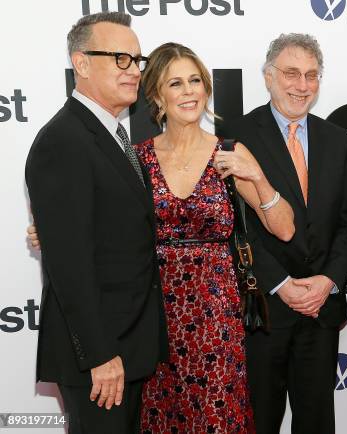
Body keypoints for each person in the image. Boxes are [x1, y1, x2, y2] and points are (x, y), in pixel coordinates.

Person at [134, 42, 294, 434]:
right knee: (161, 417)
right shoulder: (137, 158)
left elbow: (284, 228)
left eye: (195, 81)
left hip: (216, 316)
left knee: (217, 417)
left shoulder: (228, 153)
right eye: (176, 83)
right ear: (156, 94)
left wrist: (256, 175)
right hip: (154, 315)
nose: (189, 91)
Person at [24, 12, 168, 434]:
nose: (134, 71)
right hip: (99, 358)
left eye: (137, 60)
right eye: (120, 58)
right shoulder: (63, 141)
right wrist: (100, 356)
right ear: (81, 63)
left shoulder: (114, 134)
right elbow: (70, 266)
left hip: (128, 346)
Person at [222, 33, 347, 433]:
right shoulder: (235, 137)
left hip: (321, 310)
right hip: (264, 309)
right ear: (268, 77)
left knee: (316, 422)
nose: (302, 85)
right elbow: (232, 227)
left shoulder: (338, 139)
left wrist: (328, 281)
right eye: (292, 73)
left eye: (312, 75)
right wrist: (281, 284)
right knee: (259, 420)